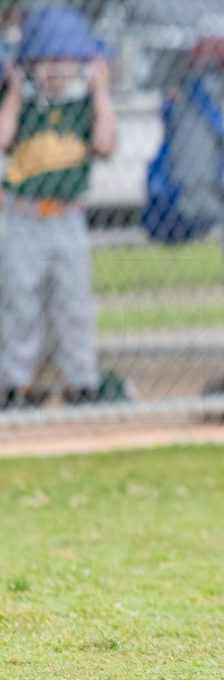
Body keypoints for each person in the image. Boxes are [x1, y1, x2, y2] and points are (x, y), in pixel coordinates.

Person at [0, 6, 115, 409]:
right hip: (24, 217)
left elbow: (104, 145)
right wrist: (15, 93)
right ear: (28, 66)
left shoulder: (83, 107)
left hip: (68, 218)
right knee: (19, 303)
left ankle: (81, 383)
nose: (54, 71)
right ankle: (16, 385)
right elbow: (3, 139)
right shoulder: (22, 107)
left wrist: (101, 91)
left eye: (64, 63)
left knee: (74, 305)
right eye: (45, 62)